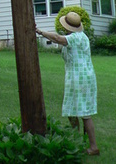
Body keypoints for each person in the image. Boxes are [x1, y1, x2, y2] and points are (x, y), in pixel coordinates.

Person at [36, 11, 99, 156]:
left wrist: (40, 32)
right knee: (76, 110)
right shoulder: (82, 37)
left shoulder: (74, 38)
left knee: (83, 113)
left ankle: (93, 146)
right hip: (85, 76)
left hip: (79, 78)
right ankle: (78, 140)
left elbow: (58, 38)